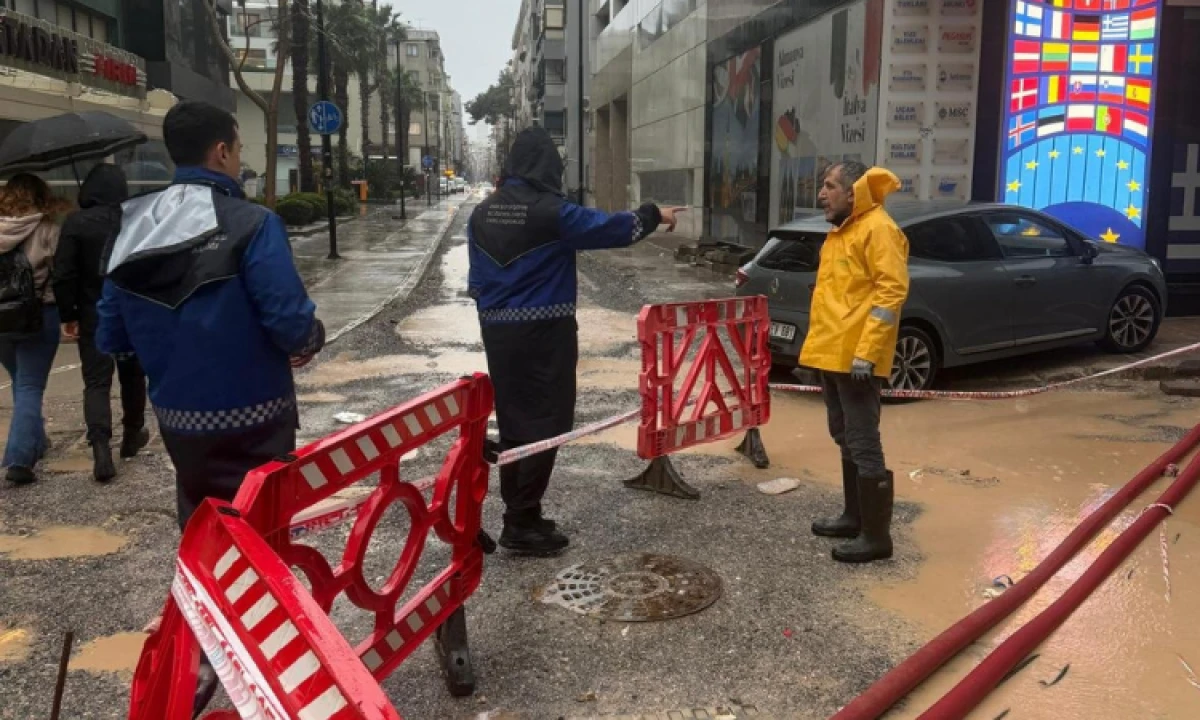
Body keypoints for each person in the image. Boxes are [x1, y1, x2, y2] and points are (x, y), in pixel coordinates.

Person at [96, 101, 325, 530]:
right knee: (262, 531)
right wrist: (310, 339)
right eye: (238, 149)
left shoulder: (132, 226)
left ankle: (207, 595)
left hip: (178, 420)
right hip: (257, 417)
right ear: (221, 151)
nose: (239, 160)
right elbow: (290, 322)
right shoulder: (254, 223)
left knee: (203, 527)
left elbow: (111, 334)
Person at [468, 127, 684, 556]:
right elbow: (609, 228)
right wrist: (654, 213)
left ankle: (521, 513)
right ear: (547, 166)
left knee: (515, 424)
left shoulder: (482, 213)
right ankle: (522, 522)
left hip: (498, 334)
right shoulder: (551, 212)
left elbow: (478, 280)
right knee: (546, 424)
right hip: (545, 335)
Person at [800, 161, 909, 564]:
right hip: (834, 353)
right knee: (844, 435)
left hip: (856, 358)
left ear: (853, 193)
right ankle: (854, 517)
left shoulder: (879, 230)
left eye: (829, 186)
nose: (821, 194)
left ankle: (877, 538)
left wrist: (867, 351)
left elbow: (890, 293)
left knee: (863, 442)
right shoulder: (843, 231)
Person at [53, 164, 148, 483]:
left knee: (96, 382)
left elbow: (63, 272)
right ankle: (133, 434)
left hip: (92, 312)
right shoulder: (134, 218)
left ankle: (101, 448)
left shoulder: (75, 223)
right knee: (132, 375)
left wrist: (68, 315)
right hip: (132, 310)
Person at [0, 174, 63, 485]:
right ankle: (19, 458)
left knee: (20, 380)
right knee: (29, 386)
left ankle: (35, 439)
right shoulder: (48, 229)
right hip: (38, 314)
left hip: (1, 320)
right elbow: (61, 272)